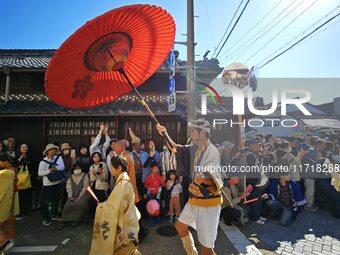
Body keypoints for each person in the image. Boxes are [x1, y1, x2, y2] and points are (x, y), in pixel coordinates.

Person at [157, 119, 223, 255]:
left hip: (208, 203)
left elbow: (215, 179)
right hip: (195, 199)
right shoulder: (195, 148)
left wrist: (203, 179)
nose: (191, 133)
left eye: (194, 130)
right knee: (180, 226)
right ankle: (192, 253)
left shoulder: (212, 152)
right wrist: (165, 134)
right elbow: (175, 148)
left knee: (206, 248)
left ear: (203, 132)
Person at [89, 156, 141, 255]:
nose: (111, 169)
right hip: (128, 222)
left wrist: (101, 207)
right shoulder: (126, 182)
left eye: (112, 167)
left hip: (123, 226)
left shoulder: (122, 185)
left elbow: (113, 207)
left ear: (119, 168)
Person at [38, 144, 65, 225]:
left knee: (56, 200)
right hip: (47, 184)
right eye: (51, 149)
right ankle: (46, 218)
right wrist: (49, 171)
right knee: (46, 202)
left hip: (57, 182)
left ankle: (55, 214)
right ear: (47, 152)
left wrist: (55, 168)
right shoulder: (43, 161)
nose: (53, 151)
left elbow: (62, 167)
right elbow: (40, 173)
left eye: (54, 149)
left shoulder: (58, 158)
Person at [58, 164, 90, 230]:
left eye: (79, 168)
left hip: (83, 194)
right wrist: (70, 196)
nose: (77, 170)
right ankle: (63, 220)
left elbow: (85, 187)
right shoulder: (70, 177)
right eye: (76, 169)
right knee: (67, 205)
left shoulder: (85, 175)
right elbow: (69, 188)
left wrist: (79, 197)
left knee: (81, 204)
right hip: (73, 195)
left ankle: (76, 219)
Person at [0, 152, 19, 254]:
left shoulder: (4, 174)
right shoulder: (12, 171)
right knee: (8, 225)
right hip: (11, 204)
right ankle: (8, 241)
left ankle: (4, 243)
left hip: (3, 205)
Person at [144, 161, 165, 226]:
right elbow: (145, 185)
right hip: (151, 195)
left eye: (157, 168)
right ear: (151, 168)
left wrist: (167, 184)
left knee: (158, 207)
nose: (156, 169)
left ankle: (157, 219)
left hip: (158, 194)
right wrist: (149, 188)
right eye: (154, 168)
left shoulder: (159, 176)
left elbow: (162, 183)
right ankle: (151, 220)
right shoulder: (148, 177)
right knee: (151, 207)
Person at [89, 152, 109, 219]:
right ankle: (95, 218)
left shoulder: (103, 165)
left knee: (103, 203)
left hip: (102, 187)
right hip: (94, 186)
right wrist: (95, 174)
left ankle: (104, 217)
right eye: (94, 157)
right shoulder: (91, 167)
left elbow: (105, 177)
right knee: (93, 203)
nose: (96, 158)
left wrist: (99, 174)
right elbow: (92, 179)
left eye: (98, 156)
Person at [16, 144, 33, 220]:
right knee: (20, 196)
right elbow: (15, 164)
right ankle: (20, 212)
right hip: (19, 180)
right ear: (20, 149)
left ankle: (26, 212)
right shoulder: (17, 156)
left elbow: (33, 166)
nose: (24, 148)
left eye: (26, 147)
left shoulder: (30, 157)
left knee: (26, 195)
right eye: (23, 147)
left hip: (27, 179)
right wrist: (20, 158)